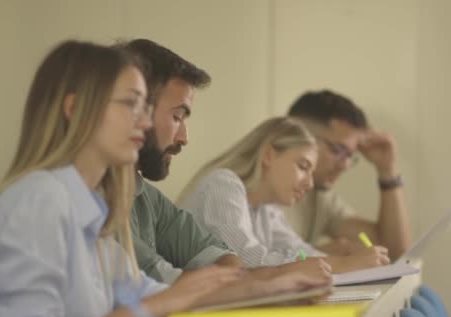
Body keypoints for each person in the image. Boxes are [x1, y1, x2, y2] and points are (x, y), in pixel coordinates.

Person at [0, 40, 239, 317]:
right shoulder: (40, 200)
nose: (144, 122)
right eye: (131, 104)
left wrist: (266, 285)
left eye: (145, 108)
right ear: (75, 109)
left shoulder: (92, 213)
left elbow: (143, 299)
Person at [120, 39, 332, 285]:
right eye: (177, 117)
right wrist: (267, 283)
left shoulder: (148, 197)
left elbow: (228, 261)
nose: (184, 138)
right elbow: (164, 287)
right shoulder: (223, 184)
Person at [178, 117, 390, 273]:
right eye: (303, 166)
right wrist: (342, 264)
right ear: (269, 155)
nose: (309, 183)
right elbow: (247, 261)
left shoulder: (265, 209)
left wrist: (348, 259)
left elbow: (301, 251)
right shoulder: (222, 184)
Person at [284, 90, 411, 260]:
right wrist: (316, 257)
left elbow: (393, 251)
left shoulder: (320, 195)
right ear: (296, 136)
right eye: (338, 150)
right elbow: (245, 274)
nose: (345, 165)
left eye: (350, 155)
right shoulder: (249, 189)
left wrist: (388, 171)